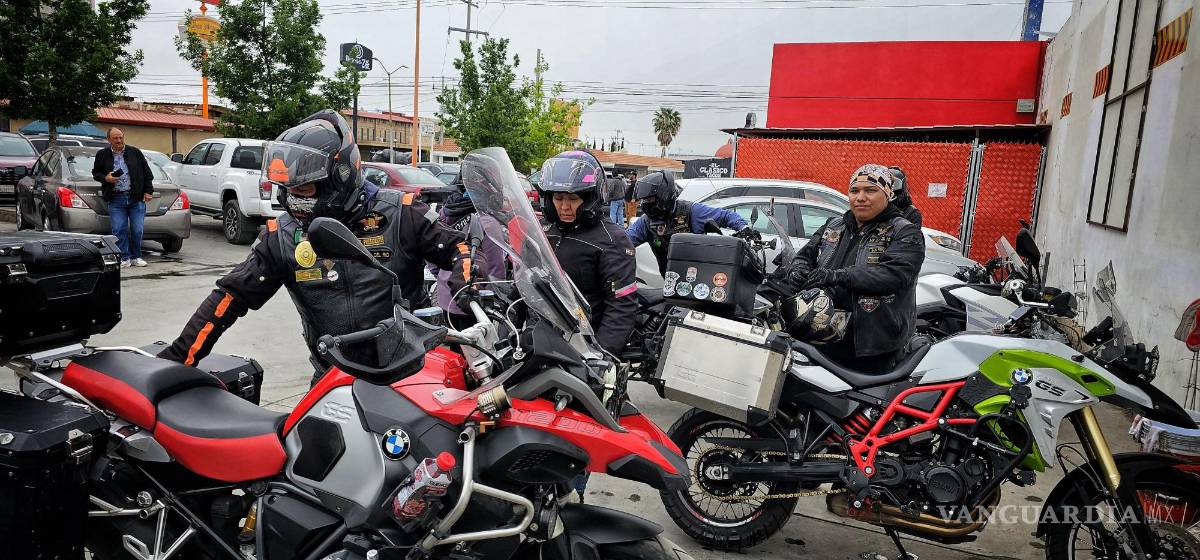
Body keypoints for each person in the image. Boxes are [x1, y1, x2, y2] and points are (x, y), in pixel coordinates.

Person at [157, 110, 478, 385]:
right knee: (303, 454)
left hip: (411, 371)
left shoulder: (401, 212)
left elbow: (456, 247)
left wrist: (466, 284)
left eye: (306, 188)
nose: (295, 199)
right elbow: (230, 297)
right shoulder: (281, 236)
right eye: (289, 189)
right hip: (333, 377)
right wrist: (178, 358)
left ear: (340, 176)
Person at [783, 164, 925, 373]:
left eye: (870, 190)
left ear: (888, 194)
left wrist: (837, 276)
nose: (860, 197)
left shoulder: (905, 232)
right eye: (854, 190)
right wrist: (797, 271)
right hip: (820, 335)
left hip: (870, 345)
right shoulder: (834, 225)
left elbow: (893, 275)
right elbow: (804, 256)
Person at [540, 150, 637, 356]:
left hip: (584, 345)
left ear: (592, 197)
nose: (564, 207)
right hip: (541, 338)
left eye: (573, 198)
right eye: (558, 198)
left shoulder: (613, 239)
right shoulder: (543, 230)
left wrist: (600, 356)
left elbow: (621, 307)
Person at [625, 170, 754, 276]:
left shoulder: (691, 211)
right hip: (670, 281)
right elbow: (624, 240)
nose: (645, 204)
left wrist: (744, 228)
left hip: (700, 278)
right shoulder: (645, 222)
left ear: (663, 196)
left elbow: (726, 215)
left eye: (650, 199)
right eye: (643, 200)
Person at [434, 179, 508, 329]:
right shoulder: (487, 222)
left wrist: (444, 278)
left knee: (456, 349)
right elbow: (495, 270)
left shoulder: (445, 212)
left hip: (447, 297)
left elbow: (433, 256)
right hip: (474, 302)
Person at [91, 128, 154, 268]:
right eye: (115, 138)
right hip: (115, 198)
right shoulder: (102, 154)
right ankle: (124, 257)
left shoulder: (135, 152)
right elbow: (96, 173)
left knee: (138, 229)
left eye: (120, 137)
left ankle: (136, 256)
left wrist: (148, 191)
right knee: (119, 229)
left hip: (135, 198)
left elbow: (147, 173)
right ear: (109, 139)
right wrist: (106, 178)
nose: (119, 141)